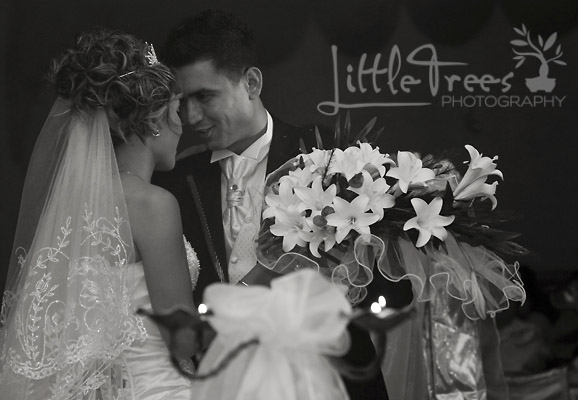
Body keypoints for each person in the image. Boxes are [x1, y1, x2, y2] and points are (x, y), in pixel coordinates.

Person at [154, 9, 389, 399]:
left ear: (251, 82)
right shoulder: (176, 180)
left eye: (204, 97)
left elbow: (376, 275)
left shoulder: (331, 157)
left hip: (329, 375)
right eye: (182, 102)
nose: (191, 116)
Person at [0, 29, 198, 399]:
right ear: (154, 119)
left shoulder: (70, 204)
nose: (183, 124)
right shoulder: (153, 204)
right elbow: (183, 339)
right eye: (176, 109)